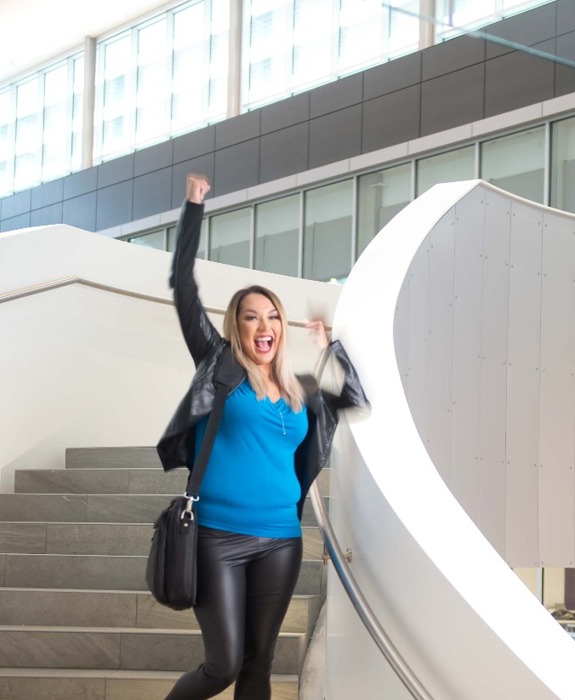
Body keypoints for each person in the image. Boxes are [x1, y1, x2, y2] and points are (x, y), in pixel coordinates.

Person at [157, 174, 367, 700]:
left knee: (258, 665)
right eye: (250, 317)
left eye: (272, 315)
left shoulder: (301, 391)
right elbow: (183, 286)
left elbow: (354, 399)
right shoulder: (218, 366)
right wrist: (193, 208)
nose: (263, 324)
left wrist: (331, 346)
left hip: (281, 540)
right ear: (235, 327)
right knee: (223, 664)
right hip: (216, 538)